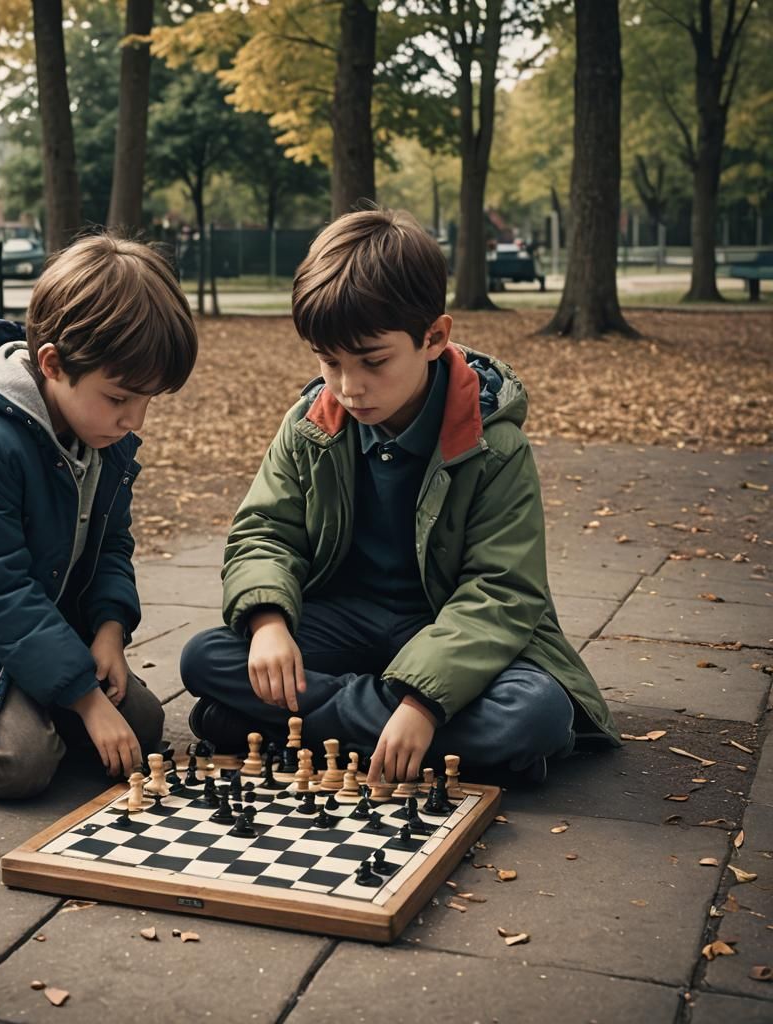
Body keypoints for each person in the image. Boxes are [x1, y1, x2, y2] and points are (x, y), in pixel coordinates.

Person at [180, 208, 619, 785]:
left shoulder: (495, 445)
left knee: (534, 710)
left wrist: (422, 701)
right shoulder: (311, 422)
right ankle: (434, 742)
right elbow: (265, 531)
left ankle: (282, 726)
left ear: (434, 336)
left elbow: (502, 592)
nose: (348, 385)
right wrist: (266, 622)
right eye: (329, 361)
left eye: (373, 361)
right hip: (342, 624)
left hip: (444, 625)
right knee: (205, 657)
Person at [0, 234, 197, 799]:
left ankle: (37, 700)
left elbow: (111, 546)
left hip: (41, 616)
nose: (135, 419)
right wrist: (85, 698)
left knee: (142, 726)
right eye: (121, 397)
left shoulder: (102, 438)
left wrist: (108, 632)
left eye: (149, 400)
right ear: (53, 364)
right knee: (21, 762)